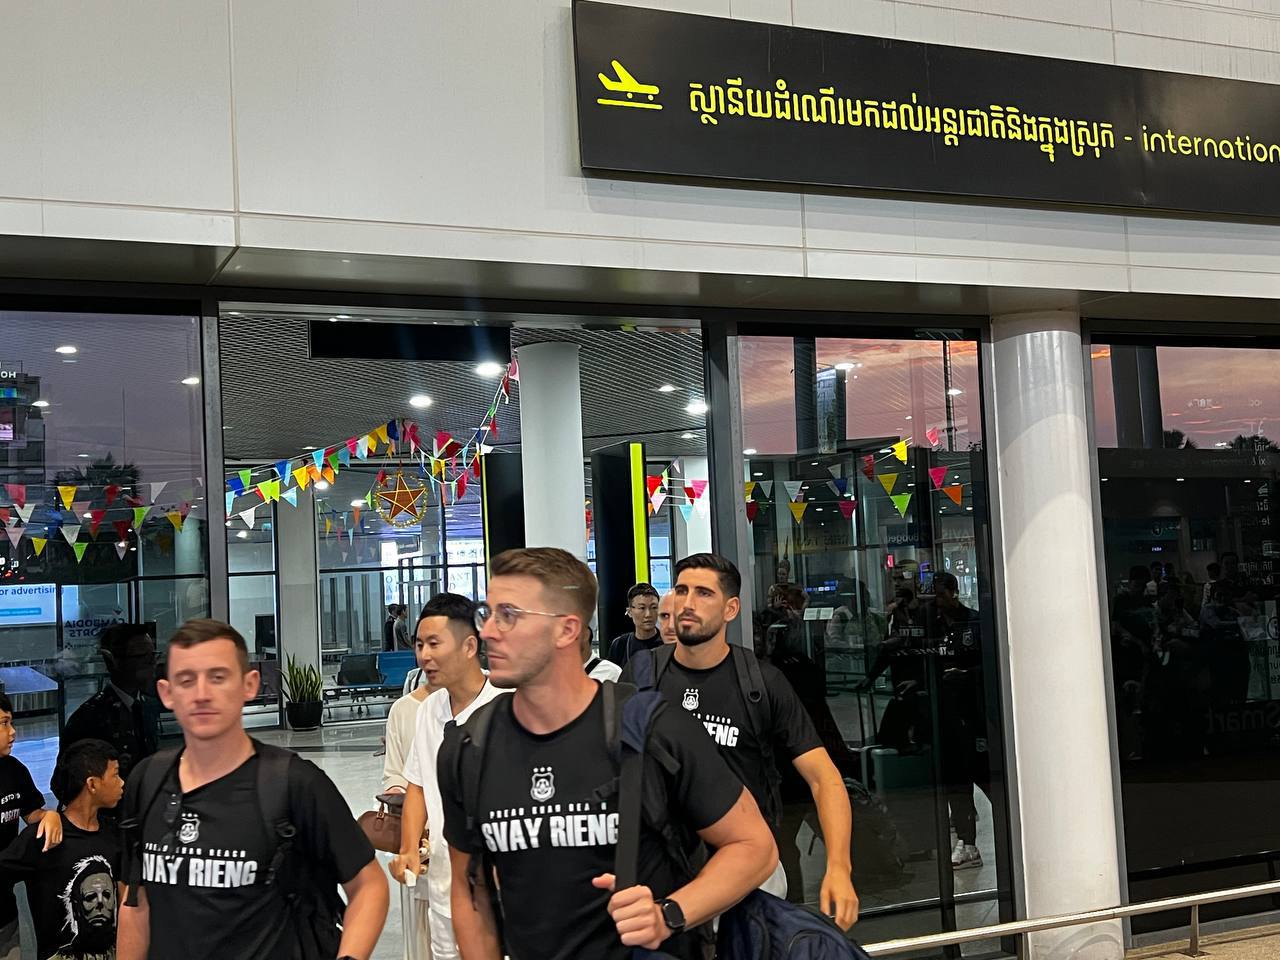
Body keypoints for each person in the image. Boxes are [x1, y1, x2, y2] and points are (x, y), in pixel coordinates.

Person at [440, 547, 777, 960]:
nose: (489, 632)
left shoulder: (652, 729)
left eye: (508, 615)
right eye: (487, 613)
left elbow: (754, 847)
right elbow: (469, 888)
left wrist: (669, 914)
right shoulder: (469, 747)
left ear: (567, 630)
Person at [116, 619, 388, 960]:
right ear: (166, 693)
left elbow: (368, 885)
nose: (202, 694)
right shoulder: (148, 781)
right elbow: (135, 903)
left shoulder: (294, 784)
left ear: (249, 684)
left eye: (218, 677)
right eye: (186, 680)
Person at [624, 553, 859, 929]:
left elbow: (824, 778)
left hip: (747, 874)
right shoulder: (641, 676)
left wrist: (839, 868)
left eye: (704, 593)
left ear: (731, 608)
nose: (687, 603)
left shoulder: (762, 683)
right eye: (682, 590)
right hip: (663, 873)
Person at [390, 593, 507, 960]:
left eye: (434, 643)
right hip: (444, 885)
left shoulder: (507, 704)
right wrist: (409, 849)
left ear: (470, 646)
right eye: (419, 645)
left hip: (501, 889)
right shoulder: (429, 711)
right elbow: (418, 786)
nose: (424, 655)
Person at [0, 738, 124, 960]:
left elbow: (127, 905)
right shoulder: (42, 839)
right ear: (92, 784)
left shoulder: (116, 836)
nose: (122, 783)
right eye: (115, 775)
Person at [923, 573, 989, 871]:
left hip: (975, 715)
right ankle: (967, 842)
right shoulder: (932, 625)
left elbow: (991, 662)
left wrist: (967, 676)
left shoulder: (974, 622)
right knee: (956, 784)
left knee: (987, 777)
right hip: (945, 715)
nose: (937, 601)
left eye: (940, 594)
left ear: (953, 592)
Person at [0, 692, 64, 960]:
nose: (13, 731)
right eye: (4, 723)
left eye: (11, 722)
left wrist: (50, 816)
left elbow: (32, 813)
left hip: (4, 911)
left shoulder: (14, 770)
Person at [62, 625, 160, 781]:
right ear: (112, 661)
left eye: (153, 655)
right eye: (142, 656)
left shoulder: (148, 705)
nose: (152, 663)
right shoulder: (89, 718)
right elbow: (66, 781)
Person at [605, 584, 661, 668]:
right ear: (630, 612)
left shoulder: (667, 642)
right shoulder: (620, 645)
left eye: (654, 607)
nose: (648, 614)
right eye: (642, 608)